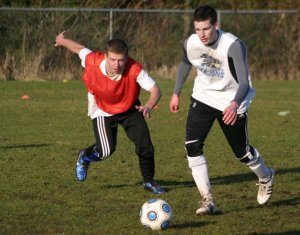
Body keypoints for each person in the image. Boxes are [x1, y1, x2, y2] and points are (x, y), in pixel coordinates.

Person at [169, 5, 275, 214]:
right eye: (198, 29)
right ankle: (207, 200)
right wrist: (176, 92)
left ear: (216, 25)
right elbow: (185, 63)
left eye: (206, 29)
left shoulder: (233, 45)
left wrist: (234, 104)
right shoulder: (190, 43)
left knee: (242, 153)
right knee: (192, 146)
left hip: (232, 100)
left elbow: (244, 83)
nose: (202, 35)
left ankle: (266, 176)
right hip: (203, 97)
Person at [55, 31, 165, 194]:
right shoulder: (92, 61)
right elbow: (79, 48)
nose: (117, 64)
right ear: (106, 57)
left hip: (129, 108)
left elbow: (155, 90)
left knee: (145, 146)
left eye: (121, 60)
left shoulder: (134, 69)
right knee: (106, 150)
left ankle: (149, 181)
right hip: (102, 108)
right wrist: (61, 41)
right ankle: (85, 156)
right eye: (112, 59)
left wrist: (148, 105)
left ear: (126, 59)